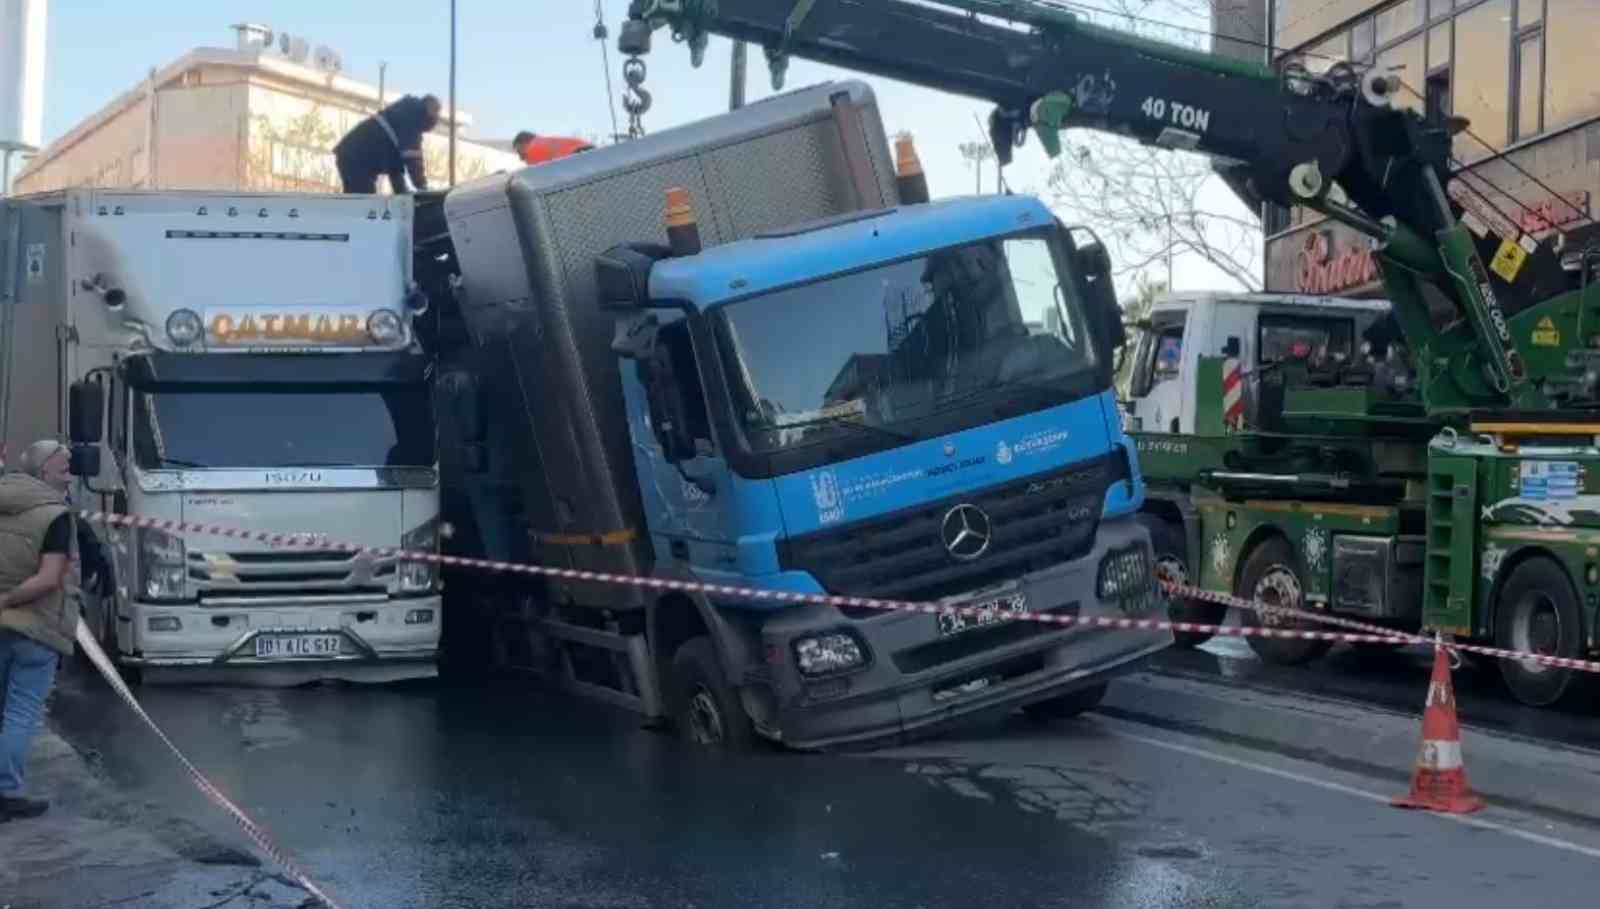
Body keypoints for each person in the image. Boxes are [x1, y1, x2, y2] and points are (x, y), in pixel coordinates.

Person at [0, 444, 77, 822]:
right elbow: (48, 579)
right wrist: (8, 600)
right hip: (34, 628)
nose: (69, 476)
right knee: (20, 714)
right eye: (64, 470)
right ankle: (7, 792)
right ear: (43, 472)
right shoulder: (55, 517)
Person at [334, 94, 442, 195]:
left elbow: (394, 167)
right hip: (355, 158)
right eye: (436, 114)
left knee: (362, 200)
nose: (436, 120)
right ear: (428, 110)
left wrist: (401, 191)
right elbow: (413, 158)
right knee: (364, 203)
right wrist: (422, 186)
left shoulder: (399, 121)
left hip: (352, 157)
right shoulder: (414, 116)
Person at [512, 131, 594, 166]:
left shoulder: (533, 149)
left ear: (524, 144)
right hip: (587, 151)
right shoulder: (542, 142)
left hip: (580, 154)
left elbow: (533, 174)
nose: (521, 158)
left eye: (519, 152)